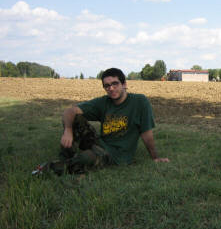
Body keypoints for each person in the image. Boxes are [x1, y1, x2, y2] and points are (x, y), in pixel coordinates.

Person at [33, 68, 169, 176]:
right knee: (75, 117)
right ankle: (66, 157)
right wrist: (68, 130)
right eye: (107, 86)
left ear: (124, 84)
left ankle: (48, 169)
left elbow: (147, 134)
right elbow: (70, 111)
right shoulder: (103, 102)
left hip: (116, 155)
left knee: (86, 158)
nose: (111, 88)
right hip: (99, 143)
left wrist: (155, 157)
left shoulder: (140, 102)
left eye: (115, 84)